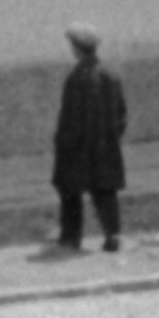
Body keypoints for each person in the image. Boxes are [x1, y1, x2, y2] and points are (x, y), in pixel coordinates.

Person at [50, 26, 130, 251]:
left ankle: (71, 236)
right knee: (105, 191)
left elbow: (70, 116)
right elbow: (121, 113)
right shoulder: (111, 75)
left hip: (79, 146)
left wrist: (63, 143)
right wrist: (113, 137)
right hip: (105, 145)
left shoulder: (76, 78)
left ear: (77, 49)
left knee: (70, 190)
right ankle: (112, 235)